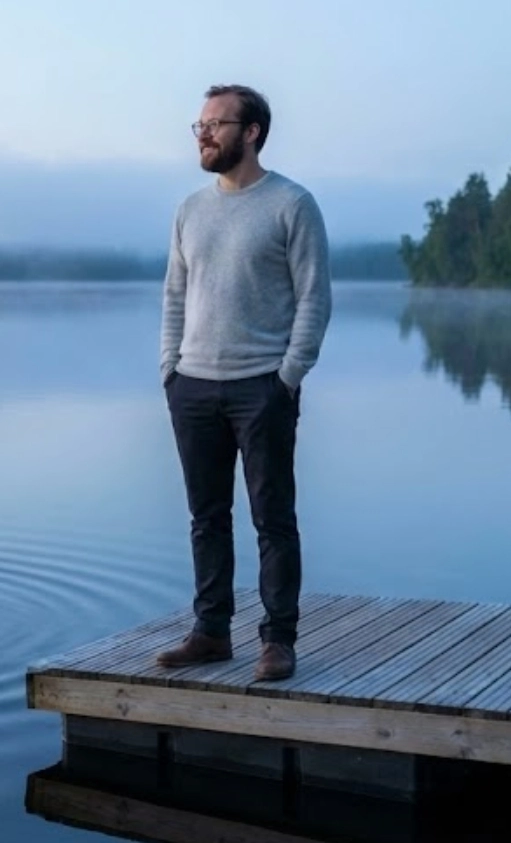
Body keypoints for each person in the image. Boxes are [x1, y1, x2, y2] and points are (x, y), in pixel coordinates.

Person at [155, 84, 331, 682]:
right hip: (193, 386)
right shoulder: (189, 210)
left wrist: (289, 375)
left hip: (263, 388)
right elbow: (174, 296)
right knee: (206, 518)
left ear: (251, 132)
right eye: (199, 125)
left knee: (272, 519)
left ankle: (278, 640)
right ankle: (211, 632)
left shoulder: (292, 204)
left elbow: (314, 297)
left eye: (215, 124)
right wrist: (170, 370)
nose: (203, 134)